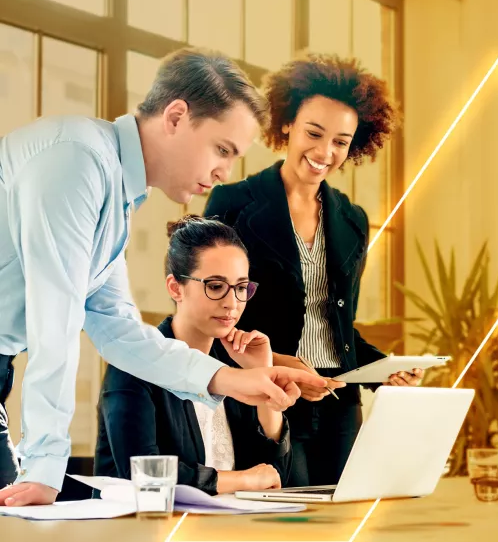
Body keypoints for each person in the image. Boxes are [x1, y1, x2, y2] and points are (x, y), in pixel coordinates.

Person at [0, 47, 325, 506]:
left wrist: (230, 381)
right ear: (175, 116)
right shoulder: (76, 162)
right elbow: (54, 320)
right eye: (222, 149)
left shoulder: (116, 192)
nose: (224, 171)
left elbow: (120, 333)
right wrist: (45, 464)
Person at [204, 53, 423, 487]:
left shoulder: (351, 220)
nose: (325, 152)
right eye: (314, 133)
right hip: (267, 394)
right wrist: (284, 364)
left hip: (339, 405)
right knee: (278, 522)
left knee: (339, 522)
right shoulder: (233, 204)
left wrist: (383, 369)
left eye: (341, 142)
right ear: (287, 124)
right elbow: (214, 316)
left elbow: (340, 328)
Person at [95, 215, 292, 494]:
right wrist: (242, 480)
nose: (232, 303)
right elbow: (142, 473)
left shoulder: (235, 363)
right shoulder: (134, 360)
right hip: (143, 528)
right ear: (176, 288)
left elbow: (275, 475)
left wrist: (263, 376)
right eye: (215, 286)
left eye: (240, 288)